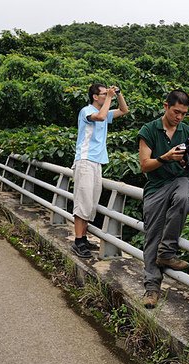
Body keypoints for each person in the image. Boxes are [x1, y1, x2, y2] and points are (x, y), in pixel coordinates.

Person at [137, 89, 189, 309]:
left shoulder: (187, 131)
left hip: (179, 179)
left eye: (183, 113)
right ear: (166, 107)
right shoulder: (149, 130)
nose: (179, 117)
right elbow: (144, 165)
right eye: (176, 112)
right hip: (155, 186)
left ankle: (167, 251)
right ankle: (151, 288)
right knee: (152, 235)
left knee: (182, 198)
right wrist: (166, 157)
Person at [71, 83, 129, 258]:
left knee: (92, 203)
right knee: (83, 202)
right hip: (85, 160)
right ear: (95, 97)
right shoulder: (86, 111)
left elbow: (124, 110)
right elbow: (101, 117)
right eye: (104, 94)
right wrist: (110, 98)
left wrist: (118, 94)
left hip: (97, 162)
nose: (106, 95)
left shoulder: (104, 110)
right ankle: (78, 241)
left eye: (107, 93)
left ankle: (84, 238)